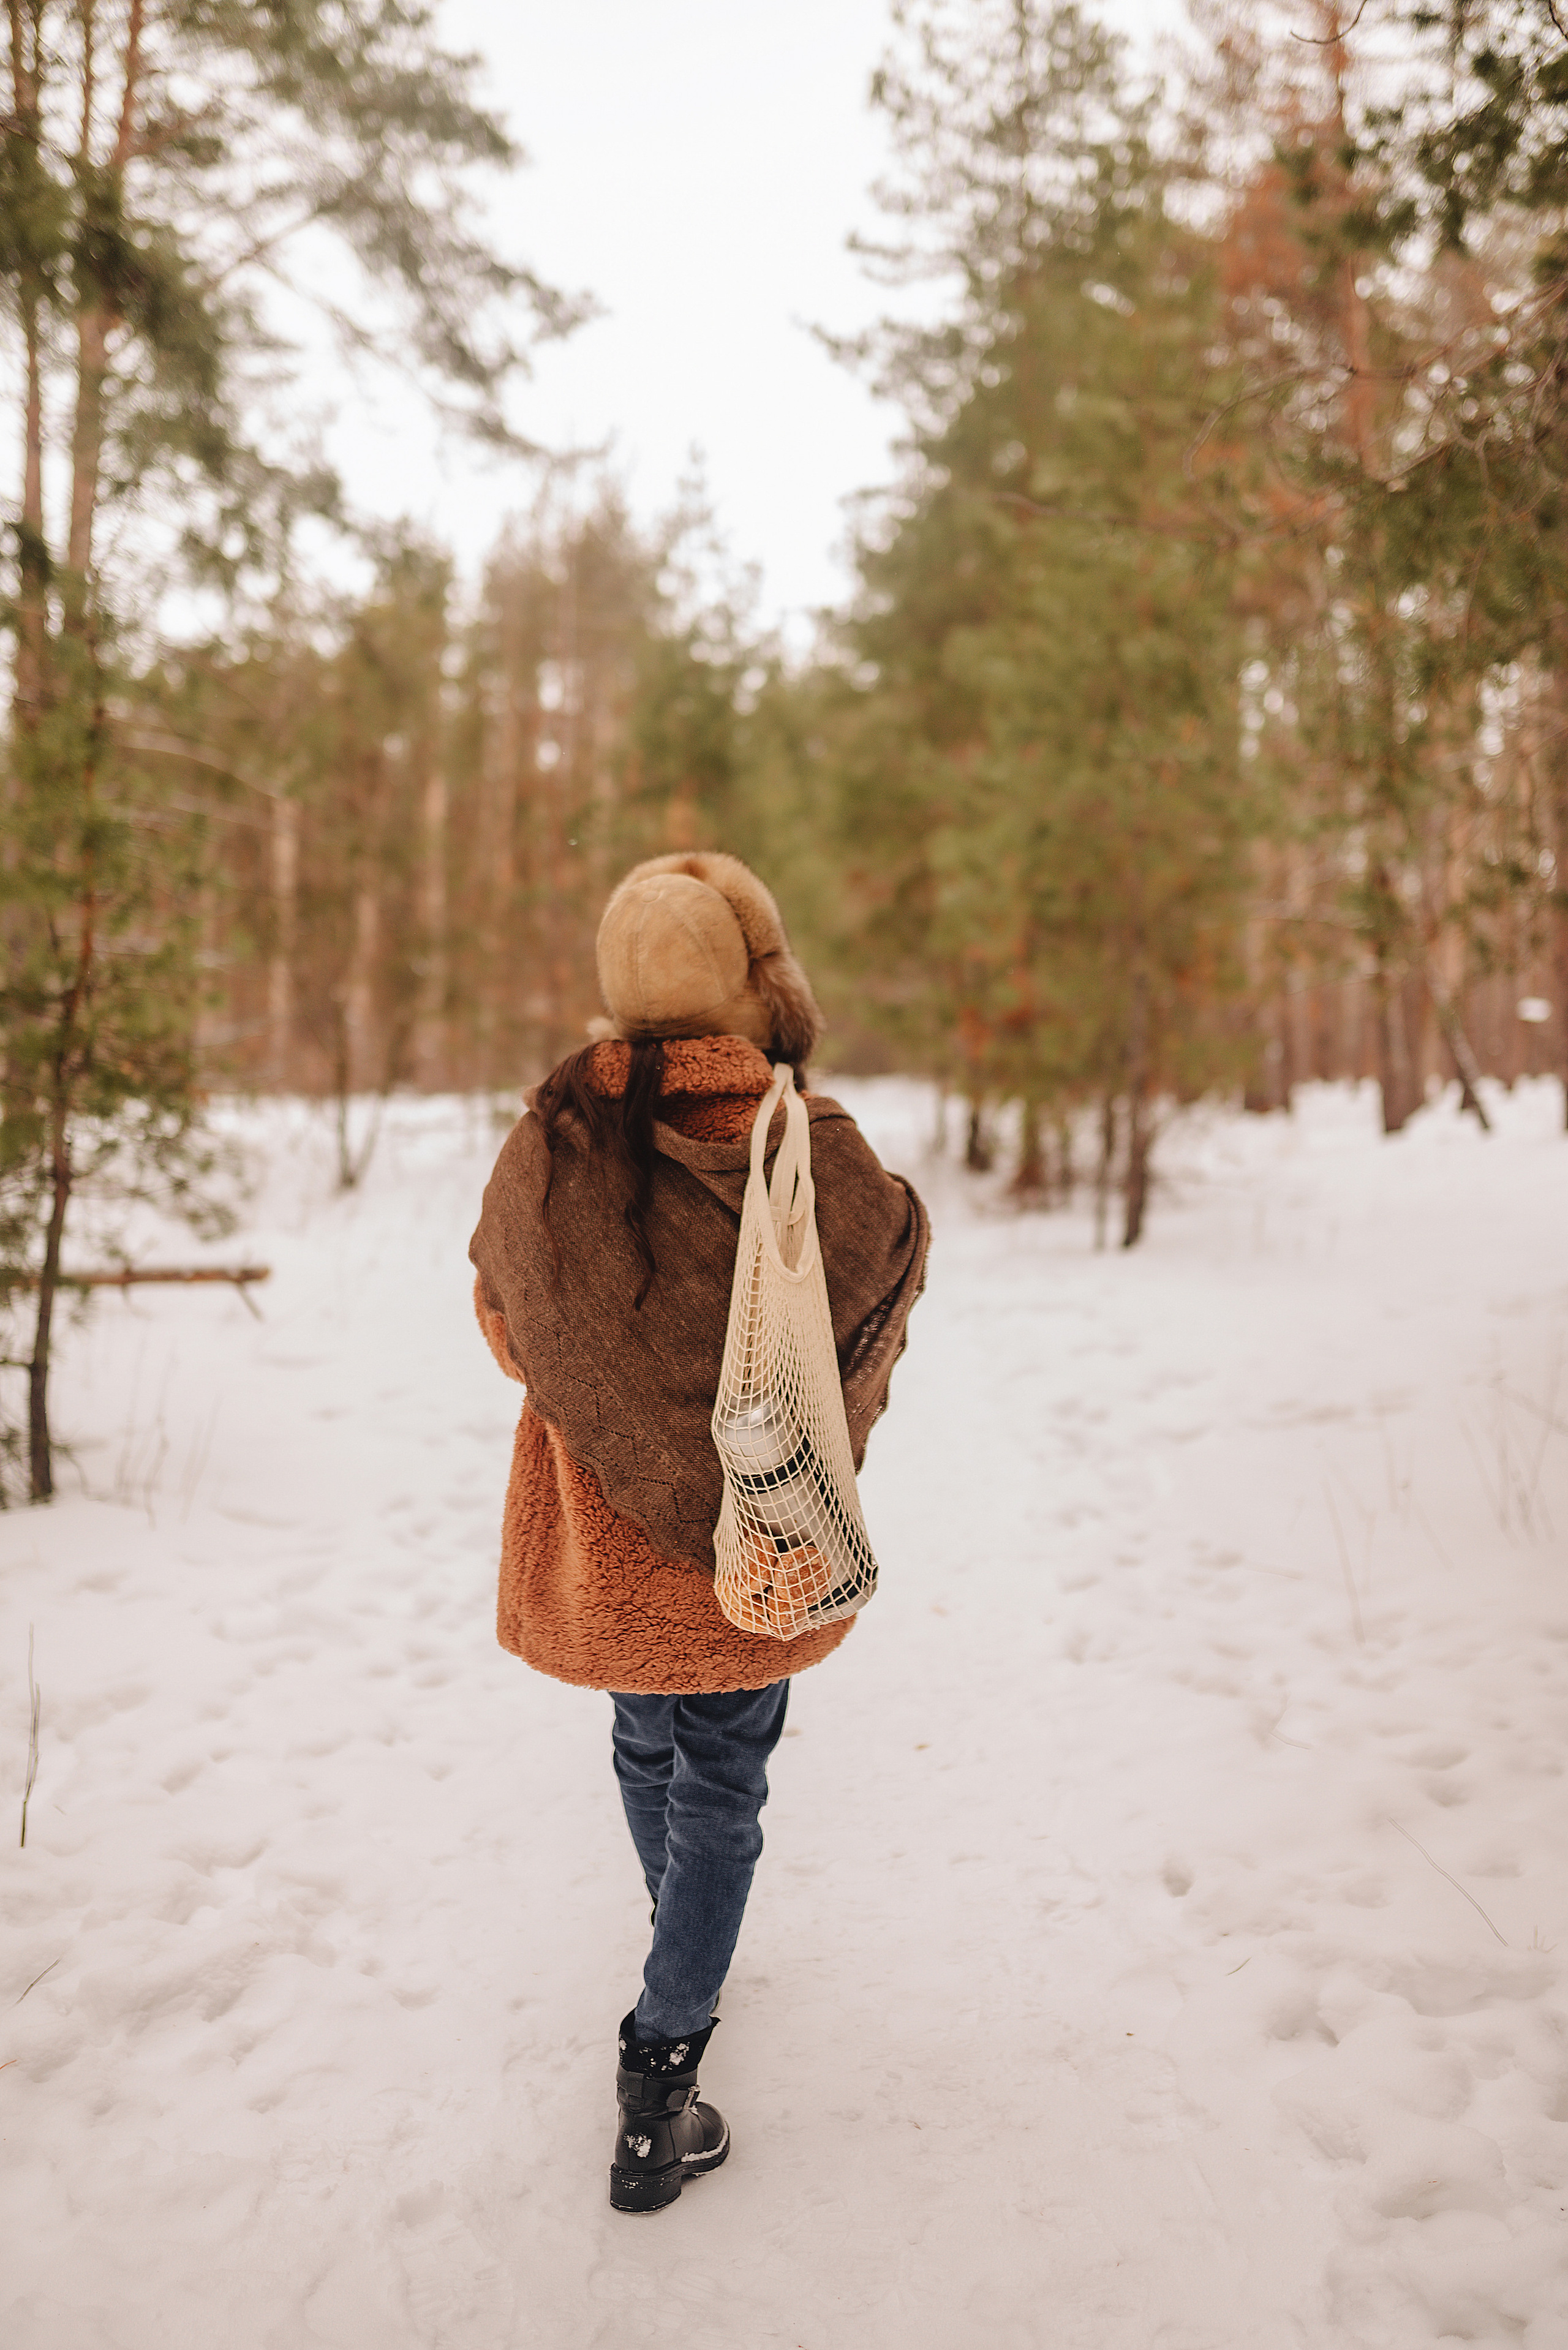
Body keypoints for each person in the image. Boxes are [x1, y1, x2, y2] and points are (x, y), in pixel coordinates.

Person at [469, 851, 929, 2213]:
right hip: (763, 1535)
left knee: (641, 1739)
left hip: (608, 1544)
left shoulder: (554, 1140)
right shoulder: (809, 1143)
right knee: (722, 1782)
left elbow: (507, 1322)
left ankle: (684, 1948)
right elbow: (879, 1288)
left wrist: (609, 1397)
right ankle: (659, 2071)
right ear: (758, 985)